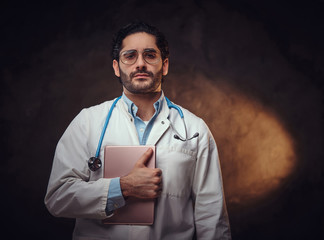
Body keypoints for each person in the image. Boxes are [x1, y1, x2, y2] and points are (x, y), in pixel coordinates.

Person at [45, 21, 231, 239]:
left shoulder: (194, 129)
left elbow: (211, 215)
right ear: (116, 67)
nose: (140, 64)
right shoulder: (87, 122)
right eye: (130, 56)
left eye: (150, 55)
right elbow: (58, 197)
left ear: (165, 65)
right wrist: (122, 187)